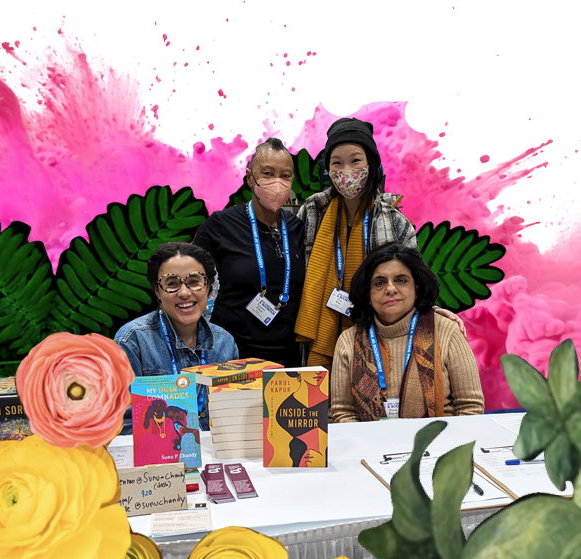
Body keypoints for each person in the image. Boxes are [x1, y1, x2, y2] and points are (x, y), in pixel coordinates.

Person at [295, 117, 464, 368]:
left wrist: (434, 309)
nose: (346, 171)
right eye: (337, 163)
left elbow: (411, 280)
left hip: (376, 334)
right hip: (320, 329)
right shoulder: (312, 211)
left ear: (371, 164)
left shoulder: (395, 222)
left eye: (355, 161)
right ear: (328, 169)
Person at [330, 245, 484, 422]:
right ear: (367, 295)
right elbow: (343, 413)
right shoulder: (349, 341)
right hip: (371, 446)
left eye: (401, 280)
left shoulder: (446, 330)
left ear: (416, 288)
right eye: (379, 283)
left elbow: (471, 408)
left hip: (440, 445)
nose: (390, 289)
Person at [192, 137, 306, 368]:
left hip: (287, 358)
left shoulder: (297, 228)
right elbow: (191, 281)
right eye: (267, 173)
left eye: (285, 175)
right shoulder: (221, 225)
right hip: (230, 355)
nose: (277, 182)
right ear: (250, 177)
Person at [114, 242, 238, 432]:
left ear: (209, 288)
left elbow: (232, 417)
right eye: (172, 284)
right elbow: (124, 424)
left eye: (194, 281)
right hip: (157, 455)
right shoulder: (133, 340)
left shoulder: (225, 343)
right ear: (157, 291)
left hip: (214, 455)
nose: (184, 293)